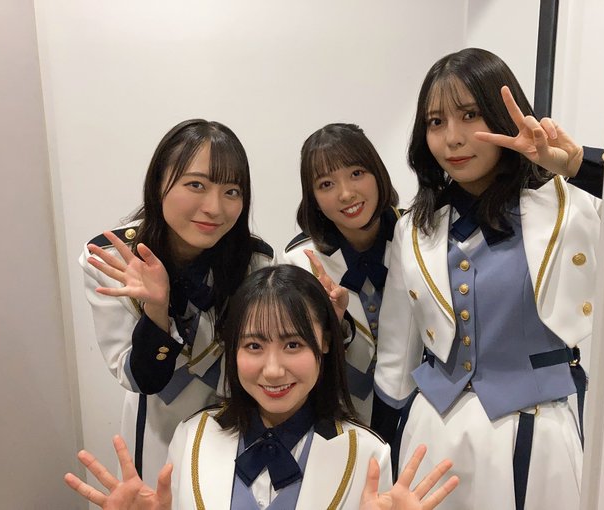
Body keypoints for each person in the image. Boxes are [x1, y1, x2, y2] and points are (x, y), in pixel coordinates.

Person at [373, 48, 600, 510]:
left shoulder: (571, 206)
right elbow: (396, 355)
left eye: (470, 115)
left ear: (503, 116)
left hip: (536, 431)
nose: (452, 138)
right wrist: (380, 452)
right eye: (436, 122)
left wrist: (578, 165)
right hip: (432, 434)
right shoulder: (414, 228)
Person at [65, 265, 460, 509]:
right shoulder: (192, 437)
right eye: (254, 346)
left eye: (293, 345)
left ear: (325, 342)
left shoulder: (369, 453)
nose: (273, 370)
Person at [79, 119, 274, 482]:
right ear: (159, 183)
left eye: (231, 191)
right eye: (196, 185)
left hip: (236, 423)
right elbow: (139, 378)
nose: (214, 207)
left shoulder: (255, 261)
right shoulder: (113, 260)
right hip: (158, 427)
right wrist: (157, 308)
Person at [281, 123, 401, 424]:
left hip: (420, 410)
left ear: (378, 173)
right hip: (340, 417)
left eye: (357, 173)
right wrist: (334, 325)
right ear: (313, 198)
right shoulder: (299, 262)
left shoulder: (419, 237)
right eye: (326, 184)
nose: (346, 194)